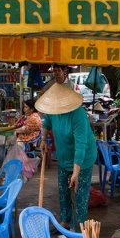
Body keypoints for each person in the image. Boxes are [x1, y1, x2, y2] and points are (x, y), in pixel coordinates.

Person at [37, 65, 98, 229]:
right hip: (64, 156)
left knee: (80, 193)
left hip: (83, 158)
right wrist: (43, 139)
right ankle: (65, 220)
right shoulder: (53, 110)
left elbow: (81, 145)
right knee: (63, 190)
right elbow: (46, 123)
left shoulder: (77, 114)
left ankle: (81, 226)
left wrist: (76, 172)